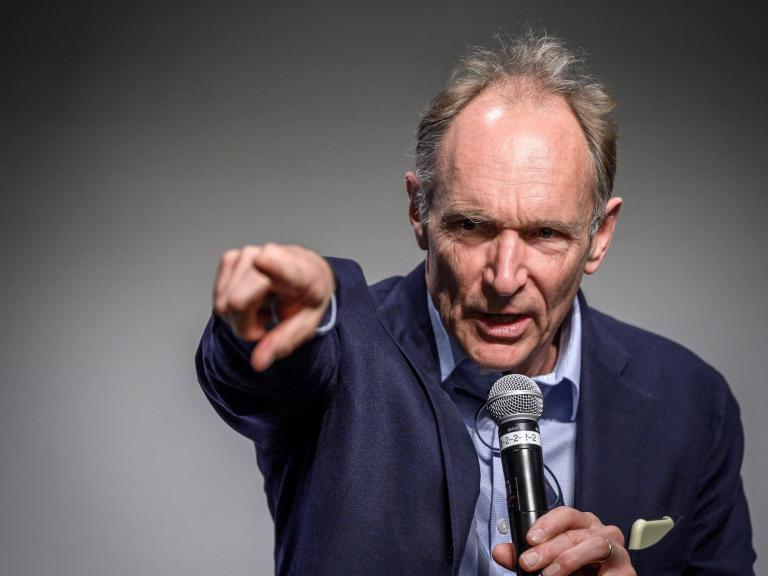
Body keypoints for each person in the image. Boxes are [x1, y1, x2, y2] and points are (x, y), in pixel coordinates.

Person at [196, 33, 755, 575]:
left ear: (599, 236)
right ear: (419, 211)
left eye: (545, 233)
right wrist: (273, 316)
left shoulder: (690, 402)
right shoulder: (343, 354)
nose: (504, 278)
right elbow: (255, 379)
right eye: (471, 226)